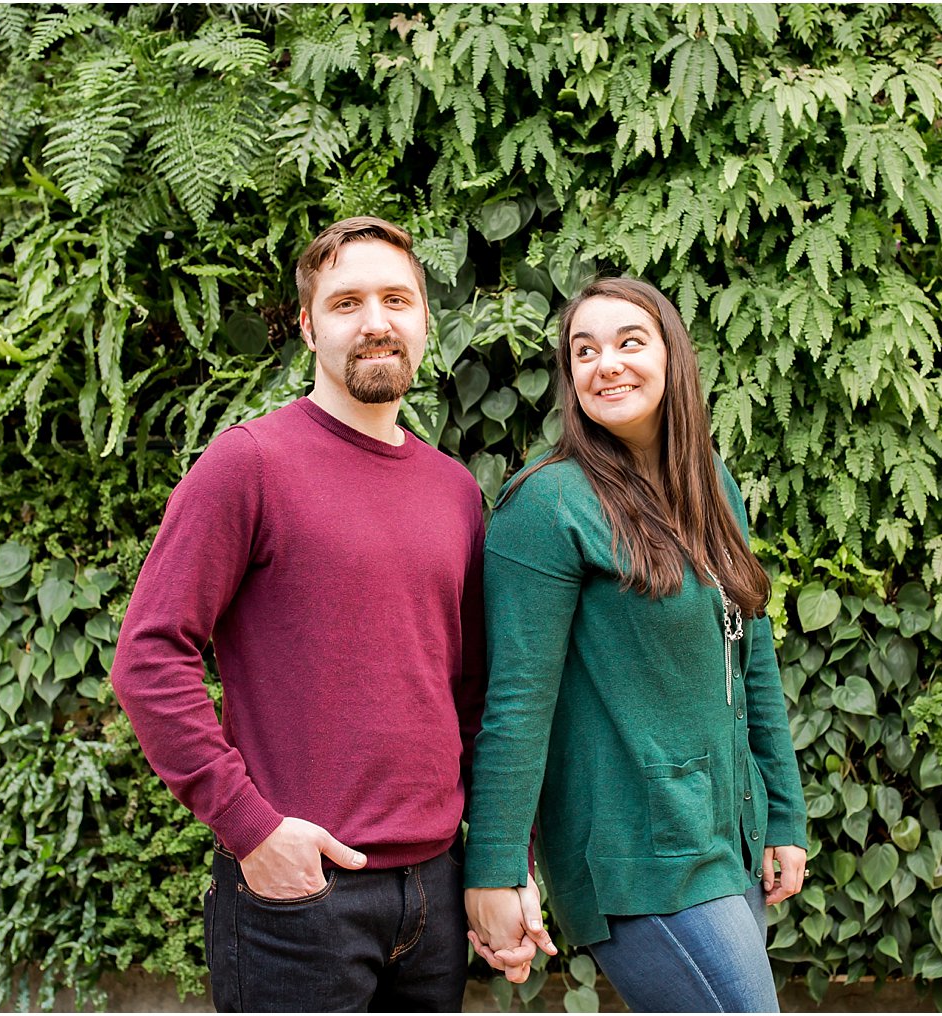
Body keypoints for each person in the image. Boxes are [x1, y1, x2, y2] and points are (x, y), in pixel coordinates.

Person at [112, 216, 517, 1011]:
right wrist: (251, 829)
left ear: (426, 320)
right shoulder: (250, 464)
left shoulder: (455, 491)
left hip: (434, 894)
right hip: (298, 900)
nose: (376, 322)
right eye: (346, 303)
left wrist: (501, 860)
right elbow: (151, 655)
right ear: (307, 326)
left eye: (398, 299)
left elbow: (473, 693)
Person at [462, 277, 809, 1012]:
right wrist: (494, 871)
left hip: (727, 837)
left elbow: (754, 658)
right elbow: (517, 701)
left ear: (672, 356)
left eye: (628, 342)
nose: (605, 364)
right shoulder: (548, 504)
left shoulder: (712, 484)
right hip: (636, 855)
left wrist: (781, 815)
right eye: (583, 351)